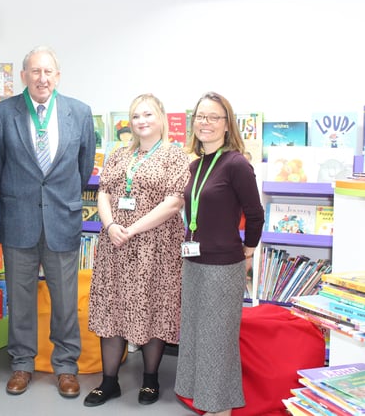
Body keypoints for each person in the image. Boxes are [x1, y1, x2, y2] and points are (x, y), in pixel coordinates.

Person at [0, 45, 96, 398]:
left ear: (58, 76)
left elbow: (82, 169)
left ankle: (66, 366)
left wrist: (58, 200)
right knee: (20, 299)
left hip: (62, 220)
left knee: (65, 300)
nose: (42, 78)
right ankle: (22, 364)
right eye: (35, 71)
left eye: (48, 71)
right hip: (18, 220)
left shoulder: (79, 113)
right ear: (24, 76)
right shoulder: (4, 114)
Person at [84, 94, 190, 407]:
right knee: (112, 308)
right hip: (114, 244)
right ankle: (108, 381)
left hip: (155, 246)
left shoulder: (175, 155)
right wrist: (112, 225)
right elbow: (102, 191)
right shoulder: (118, 154)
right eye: (136, 116)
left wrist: (133, 229)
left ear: (161, 118)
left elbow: (174, 201)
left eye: (148, 114)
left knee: (152, 306)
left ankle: (150, 379)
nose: (141, 121)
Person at [174, 91, 265, 416]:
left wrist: (249, 249)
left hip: (223, 266)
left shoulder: (237, 163)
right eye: (201, 116)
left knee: (217, 340)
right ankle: (207, 401)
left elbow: (255, 214)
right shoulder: (196, 165)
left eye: (214, 117)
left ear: (227, 125)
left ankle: (220, 408)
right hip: (193, 262)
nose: (206, 123)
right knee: (197, 335)